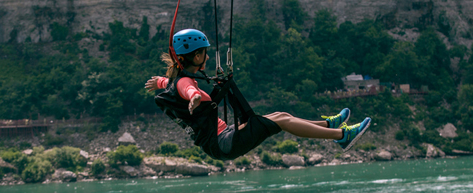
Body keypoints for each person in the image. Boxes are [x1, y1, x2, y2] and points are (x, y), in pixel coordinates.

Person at [146, 29, 371, 160]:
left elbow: (175, 85)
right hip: (223, 143)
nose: (207, 57)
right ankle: (342, 136)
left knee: (280, 114)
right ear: (196, 57)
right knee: (281, 121)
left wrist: (160, 82)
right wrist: (195, 97)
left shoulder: (174, 82)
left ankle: (329, 125)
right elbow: (189, 90)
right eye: (204, 53)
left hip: (224, 137)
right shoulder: (186, 83)